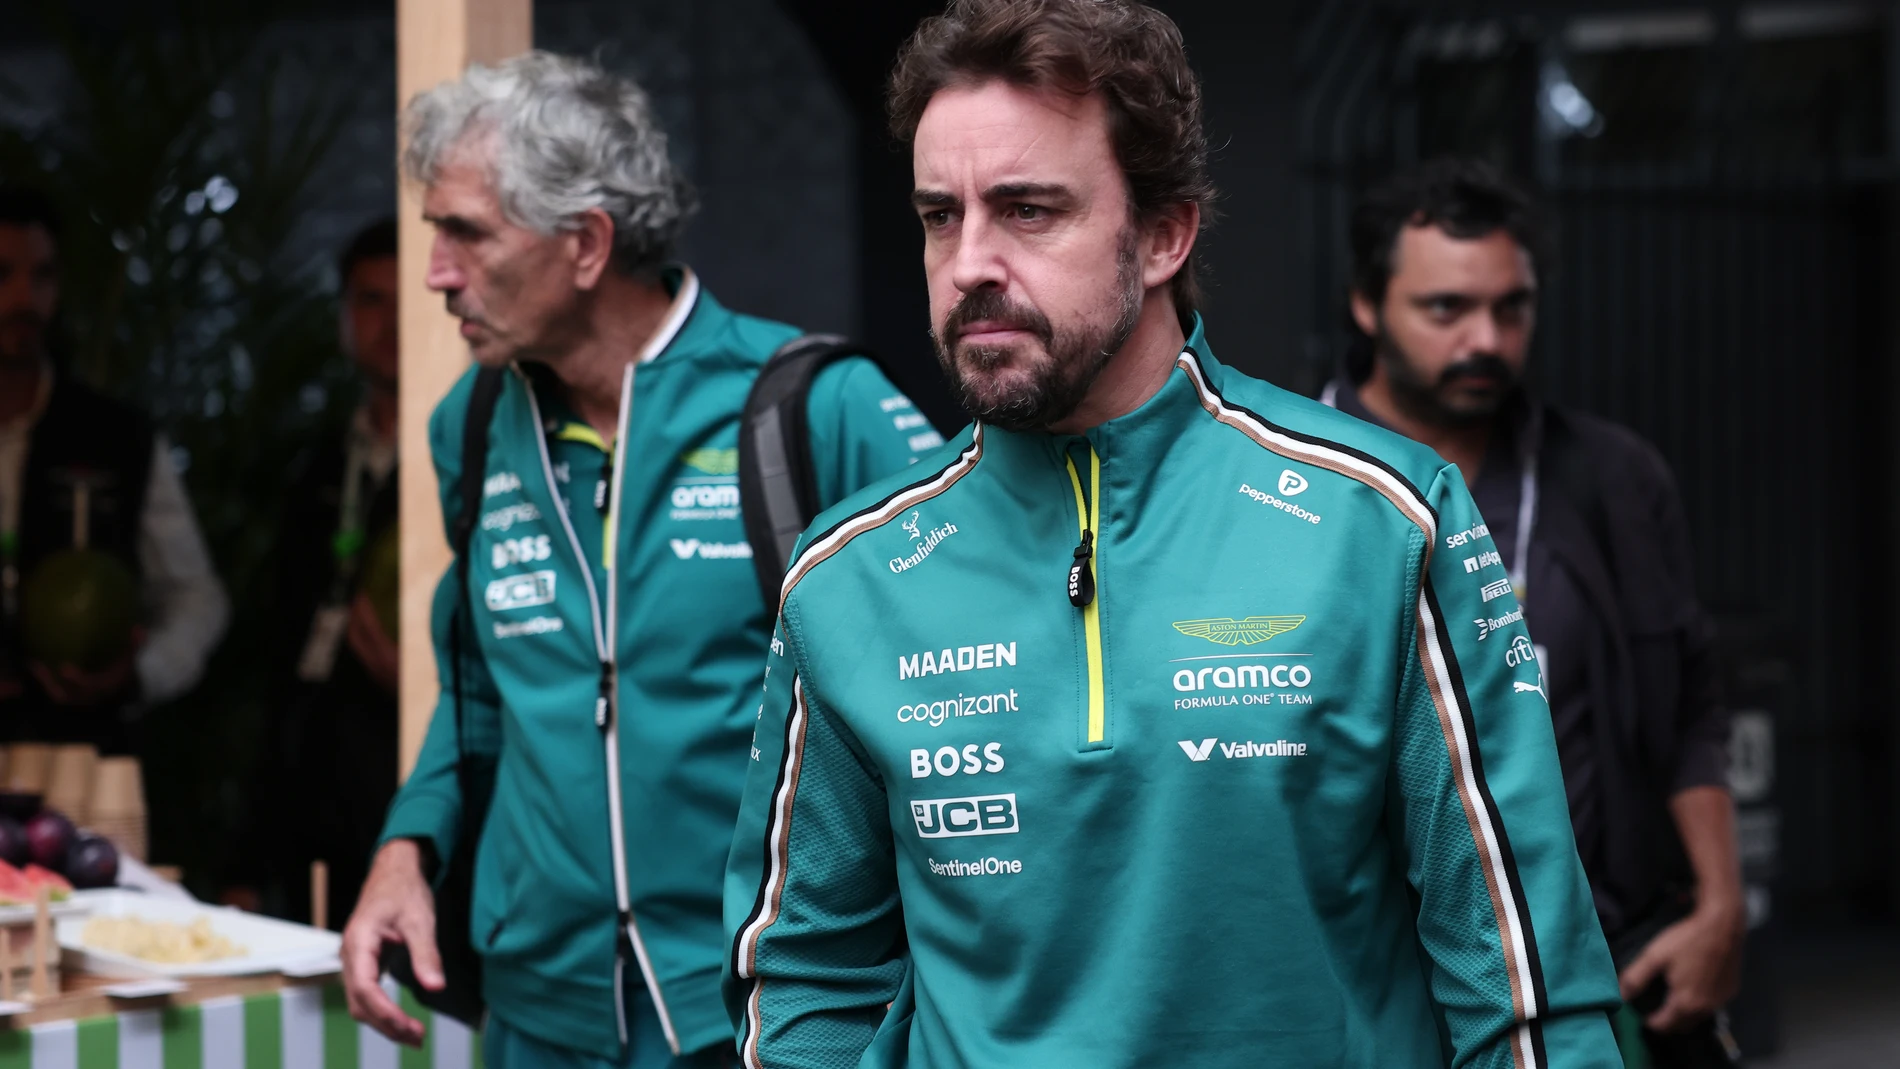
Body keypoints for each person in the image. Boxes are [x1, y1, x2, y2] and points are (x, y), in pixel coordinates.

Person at [721, 3, 1621, 1067]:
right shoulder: (849, 576)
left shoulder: (1378, 520)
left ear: (1161, 234)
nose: (967, 264)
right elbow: (807, 978)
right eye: (937, 216)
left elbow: (1522, 988)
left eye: (1026, 210)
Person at [339, 53, 943, 1068]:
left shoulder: (810, 409)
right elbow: (478, 683)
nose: (435, 273)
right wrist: (409, 846)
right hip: (537, 1011)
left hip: (748, 1012)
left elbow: (968, 670)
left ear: (584, 244)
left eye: (466, 234)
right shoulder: (471, 424)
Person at [1323, 157, 1743, 1067]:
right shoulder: (1297, 487)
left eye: (1511, 309)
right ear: (1367, 304)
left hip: (1611, 972)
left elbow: (1692, 707)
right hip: (1387, 988)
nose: (1486, 339)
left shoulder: (1614, 479)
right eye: (1446, 309)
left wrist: (1719, 905)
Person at [0, 187, 230, 753]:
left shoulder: (116, 434)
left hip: (78, 760)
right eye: (2, 274)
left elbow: (198, 598)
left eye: (43, 275)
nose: (24, 297)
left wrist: (136, 676)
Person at [224, 219, 402, 927]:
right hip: (313, 811)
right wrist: (246, 858)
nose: (388, 323)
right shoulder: (317, 469)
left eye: (403, 302)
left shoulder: (473, 466)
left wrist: (415, 684)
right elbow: (282, 662)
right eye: (368, 301)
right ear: (343, 319)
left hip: (407, 801)